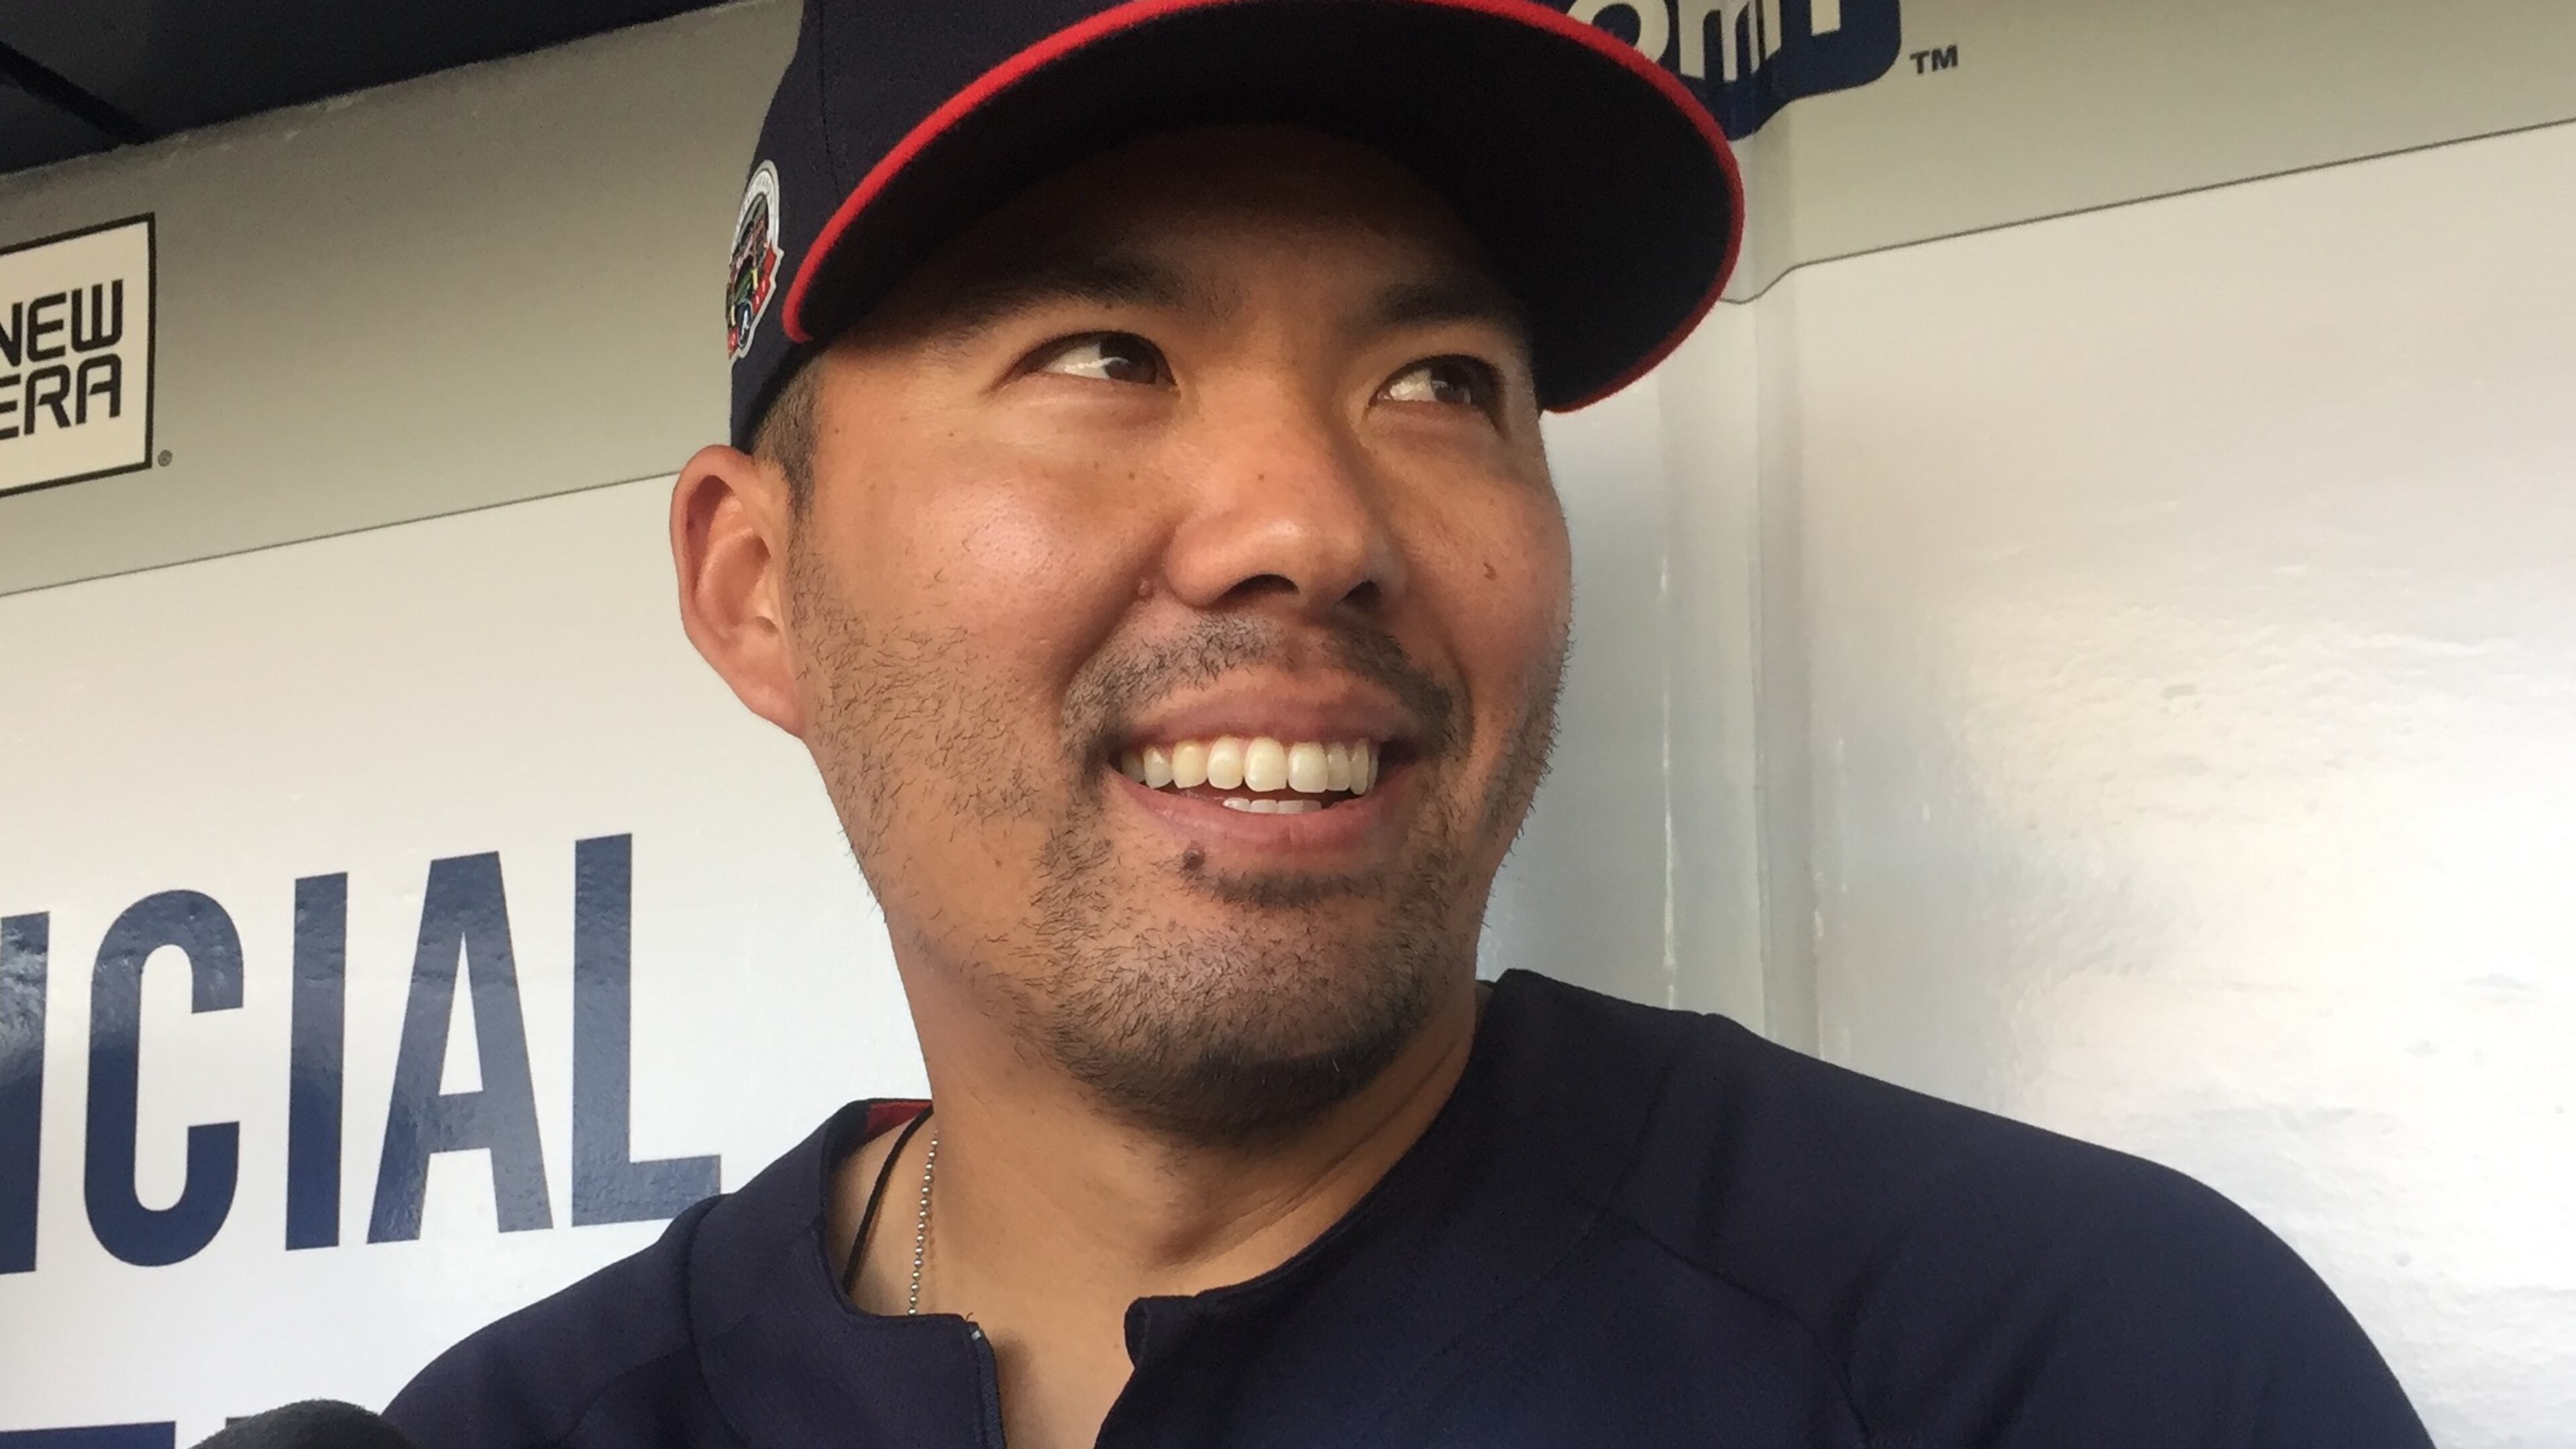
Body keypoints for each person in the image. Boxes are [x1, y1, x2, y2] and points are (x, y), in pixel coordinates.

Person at [386, 1, 2432, 1445]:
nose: (1313, 522)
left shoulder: (2077, 1365)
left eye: (1445, 380)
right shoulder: (506, 1433)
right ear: (761, 590)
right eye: (1109, 351)